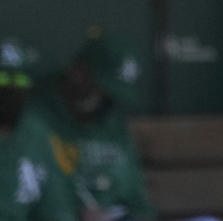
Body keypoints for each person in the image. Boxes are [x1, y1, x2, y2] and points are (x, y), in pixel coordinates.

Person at [29, 30, 156, 221]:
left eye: (111, 94)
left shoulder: (113, 123)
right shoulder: (34, 112)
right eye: (101, 87)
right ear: (77, 70)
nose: (104, 98)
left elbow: (139, 205)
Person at [0, 38, 75, 221]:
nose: (10, 87)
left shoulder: (37, 135)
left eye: (20, 79)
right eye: (1, 78)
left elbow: (56, 209)